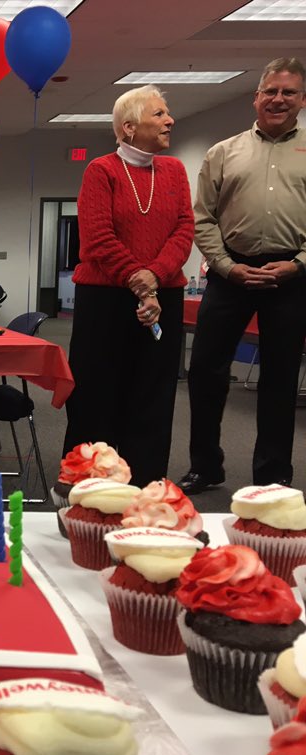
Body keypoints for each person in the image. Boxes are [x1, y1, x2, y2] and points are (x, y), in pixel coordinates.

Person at [180, 58, 306, 494]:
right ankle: (205, 466)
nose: (278, 99)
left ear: (302, 100)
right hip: (230, 274)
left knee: (280, 377)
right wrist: (227, 266)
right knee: (204, 372)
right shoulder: (223, 152)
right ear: (256, 98)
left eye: (288, 92)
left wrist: (298, 264)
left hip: (292, 277)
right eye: (270, 90)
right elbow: (203, 220)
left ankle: (272, 476)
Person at [62, 85, 194, 488]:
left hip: (163, 296)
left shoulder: (174, 171)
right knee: (96, 399)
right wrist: (143, 286)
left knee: (153, 401)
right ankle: (89, 488)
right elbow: (98, 239)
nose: (169, 120)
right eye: (159, 114)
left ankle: (147, 491)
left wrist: (154, 277)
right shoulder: (100, 170)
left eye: (167, 113)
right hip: (105, 300)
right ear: (129, 127)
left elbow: (184, 229)